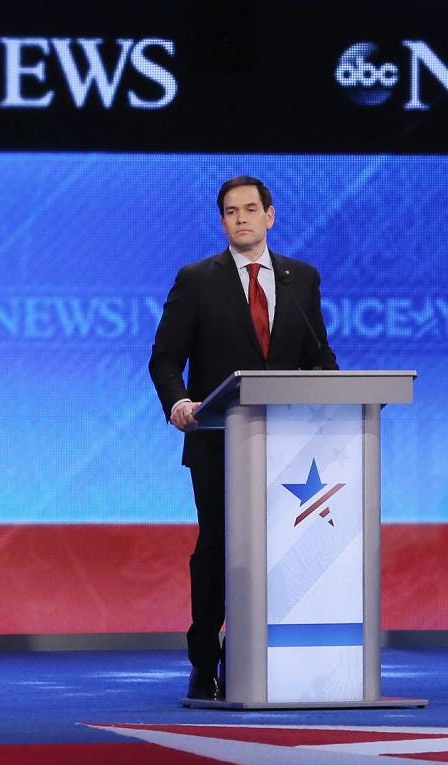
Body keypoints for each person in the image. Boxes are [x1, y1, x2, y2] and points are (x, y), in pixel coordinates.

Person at [149, 175, 338, 701]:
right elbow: (165, 359)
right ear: (223, 221)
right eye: (231, 212)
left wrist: (333, 396)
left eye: (251, 209)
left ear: (270, 216)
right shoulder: (197, 279)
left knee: (283, 550)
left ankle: (266, 654)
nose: (241, 219)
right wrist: (178, 402)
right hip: (218, 443)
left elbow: (319, 357)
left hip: (290, 450)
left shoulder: (302, 278)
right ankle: (205, 660)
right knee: (218, 549)